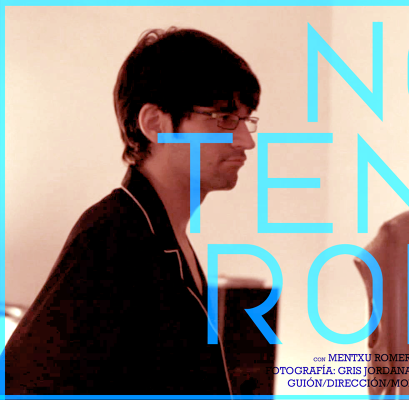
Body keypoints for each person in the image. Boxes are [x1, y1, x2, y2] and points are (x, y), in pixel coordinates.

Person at [4, 27, 260, 395]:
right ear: (156, 124)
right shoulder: (111, 239)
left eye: (246, 120)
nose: (246, 141)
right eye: (224, 118)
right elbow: (24, 385)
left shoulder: (160, 237)